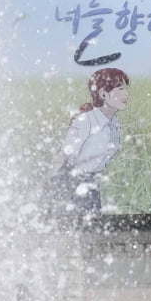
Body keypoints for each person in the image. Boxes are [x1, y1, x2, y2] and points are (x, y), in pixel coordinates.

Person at [47, 67, 130, 218]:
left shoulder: (114, 123)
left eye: (126, 89)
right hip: (72, 183)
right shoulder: (86, 121)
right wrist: (45, 186)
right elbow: (64, 155)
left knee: (93, 229)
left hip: (92, 183)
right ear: (103, 94)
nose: (126, 94)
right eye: (120, 89)